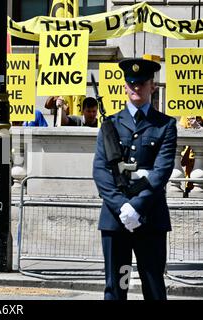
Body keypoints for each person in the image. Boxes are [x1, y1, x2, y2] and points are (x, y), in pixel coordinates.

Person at [92, 57, 177, 300]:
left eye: (141, 83)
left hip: (149, 219)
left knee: (153, 287)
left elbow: (161, 172)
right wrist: (123, 207)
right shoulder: (111, 124)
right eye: (131, 83)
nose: (136, 88)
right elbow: (100, 171)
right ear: (125, 87)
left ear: (152, 86)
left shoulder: (165, 125)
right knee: (117, 287)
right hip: (116, 221)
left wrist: (136, 207)